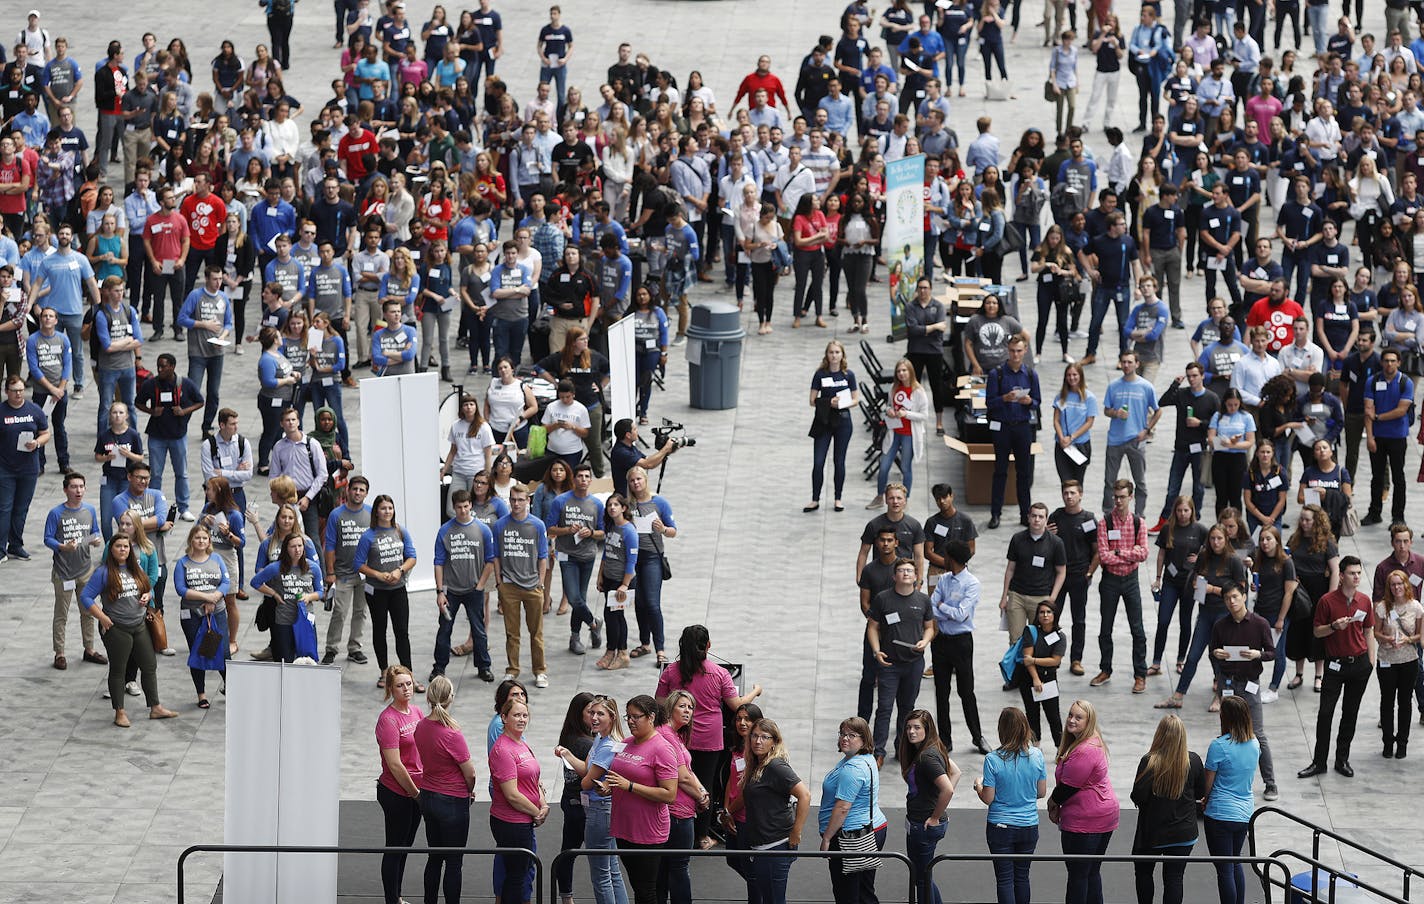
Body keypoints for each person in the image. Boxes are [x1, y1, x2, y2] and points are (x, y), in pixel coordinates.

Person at [655, 624, 762, 847]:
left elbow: (659, 704)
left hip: (680, 738)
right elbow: (735, 704)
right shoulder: (720, 674)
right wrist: (755, 691)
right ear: (709, 646)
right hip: (709, 739)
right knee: (706, 784)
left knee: (676, 780)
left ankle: (672, 826)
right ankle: (701, 835)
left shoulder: (671, 672)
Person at [80, 534, 178, 727]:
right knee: (119, 670)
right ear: (111, 549)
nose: (123, 549)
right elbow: (86, 597)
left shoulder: (136, 570)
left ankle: (155, 707)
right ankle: (120, 712)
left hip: (139, 625)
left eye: (126, 546)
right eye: (118, 546)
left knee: (149, 665)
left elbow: (146, 588)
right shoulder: (104, 572)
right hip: (117, 628)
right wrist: (102, 618)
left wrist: (146, 595)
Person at [1299, 556, 1374, 778]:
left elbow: (1368, 631)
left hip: (1359, 664)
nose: (1357, 577)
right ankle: (1319, 761)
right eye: (1352, 573)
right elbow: (1316, 632)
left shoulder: (1364, 600)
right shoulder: (1327, 601)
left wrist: (1370, 661)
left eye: (1359, 573)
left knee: (1350, 714)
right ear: (1341, 576)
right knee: (1325, 714)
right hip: (1334, 665)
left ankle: (1342, 759)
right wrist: (1333, 626)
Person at [606, 694, 678, 904]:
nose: (630, 721)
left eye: (636, 717)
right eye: (627, 716)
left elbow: (669, 794)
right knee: (637, 886)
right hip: (624, 827)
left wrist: (629, 786)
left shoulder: (662, 749)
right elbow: (616, 778)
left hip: (648, 831)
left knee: (646, 890)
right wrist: (607, 788)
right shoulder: (625, 743)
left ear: (651, 717)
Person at [974, 707, 1048, 904]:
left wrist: (978, 786)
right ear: (1025, 728)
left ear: (1002, 730)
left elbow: (988, 798)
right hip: (1029, 825)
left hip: (1000, 827)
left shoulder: (992, 759)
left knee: (1005, 879)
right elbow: (1041, 792)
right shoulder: (1037, 756)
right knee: (1022, 877)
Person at [1211, 583, 1278, 799]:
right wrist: (1218, 654)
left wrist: (1257, 654)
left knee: (1257, 734)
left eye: (1235, 597)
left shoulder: (1259, 624)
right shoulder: (1220, 625)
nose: (1232, 602)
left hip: (1250, 683)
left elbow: (1272, 652)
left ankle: (1270, 783)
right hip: (1228, 684)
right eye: (1228, 598)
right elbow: (1213, 650)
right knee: (1227, 734)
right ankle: (1227, 782)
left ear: (1244, 597)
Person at [734, 718, 811, 904]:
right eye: (754, 736)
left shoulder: (776, 766)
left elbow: (805, 796)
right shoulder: (756, 764)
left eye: (764, 737)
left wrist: (796, 832)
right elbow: (746, 796)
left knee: (774, 899)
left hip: (776, 845)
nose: (758, 741)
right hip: (761, 845)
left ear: (774, 742)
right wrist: (728, 812)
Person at [414, 676, 476, 904]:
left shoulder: (421, 726)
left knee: (435, 857)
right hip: (452, 801)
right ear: (450, 698)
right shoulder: (452, 733)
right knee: (454, 861)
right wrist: (469, 790)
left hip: (428, 796)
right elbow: (470, 773)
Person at [1130, 714, 1206, 904]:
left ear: (1159, 735)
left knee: (1143, 873)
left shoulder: (1149, 762)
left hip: (1152, 833)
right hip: (1184, 832)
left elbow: (1138, 796)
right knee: (1174, 878)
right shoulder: (1193, 761)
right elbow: (1199, 794)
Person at [867, 556, 935, 765]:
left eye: (909, 571)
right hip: (890, 664)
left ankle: (902, 748)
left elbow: (930, 627)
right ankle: (878, 751)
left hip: (914, 663)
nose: (906, 573)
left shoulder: (923, 600)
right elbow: (873, 627)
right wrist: (877, 651)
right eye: (901, 570)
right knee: (885, 707)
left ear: (916, 576)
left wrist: (925, 641)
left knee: (907, 708)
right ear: (894, 575)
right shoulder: (883, 599)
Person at [1049, 699, 1118, 904]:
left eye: (1078, 717)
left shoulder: (1084, 750)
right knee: (1090, 872)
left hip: (1086, 821)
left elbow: (1068, 788)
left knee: (1079, 875)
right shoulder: (1089, 741)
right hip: (1101, 816)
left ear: (1089, 721)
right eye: (1070, 715)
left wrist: (1052, 803)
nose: (1071, 720)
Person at [817, 716, 888, 904]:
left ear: (864, 739)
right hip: (872, 829)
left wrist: (826, 838)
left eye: (852, 735)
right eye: (842, 734)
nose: (845, 738)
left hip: (851, 839)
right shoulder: (866, 758)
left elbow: (842, 808)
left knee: (846, 894)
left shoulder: (853, 769)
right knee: (864, 892)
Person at [929, 539, 989, 753]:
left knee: (966, 690)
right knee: (941, 691)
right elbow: (930, 607)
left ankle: (977, 736)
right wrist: (946, 610)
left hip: (962, 641)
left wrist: (942, 606)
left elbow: (961, 615)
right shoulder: (944, 579)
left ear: (952, 559)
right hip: (941, 640)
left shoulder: (972, 583)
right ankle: (945, 739)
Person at [896, 710, 961, 904]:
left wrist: (934, 816)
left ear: (927, 729)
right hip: (922, 822)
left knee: (922, 879)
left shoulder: (927, 757)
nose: (911, 732)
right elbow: (956, 772)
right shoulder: (931, 749)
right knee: (924, 876)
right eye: (908, 727)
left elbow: (948, 789)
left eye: (917, 727)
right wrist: (935, 800)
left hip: (924, 825)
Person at [489, 695, 548, 904]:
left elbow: (534, 780)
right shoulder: (503, 750)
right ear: (504, 717)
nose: (522, 719)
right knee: (516, 876)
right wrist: (537, 812)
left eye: (525, 715)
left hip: (525, 820)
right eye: (516, 715)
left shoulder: (521, 743)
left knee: (522, 873)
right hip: (511, 823)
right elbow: (512, 795)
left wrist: (543, 804)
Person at [1091, 480, 1150, 693]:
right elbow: (1104, 557)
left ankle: (1140, 674)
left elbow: (1143, 553)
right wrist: (1128, 553)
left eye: (1122, 496)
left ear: (1131, 497)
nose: (1118, 501)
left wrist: (1119, 553)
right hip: (1110, 581)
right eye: (1116, 496)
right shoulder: (1104, 522)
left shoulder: (1138, 523)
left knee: (1138, 629)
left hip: (1131, 580)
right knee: (1105, 628)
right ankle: (1105, 669)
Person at [432, 489, 496, 682]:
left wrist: (481, 585)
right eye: (459, 507)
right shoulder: (445, 531)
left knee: (478, 630)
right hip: (451, 590)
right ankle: (439, 667)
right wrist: (440, 591)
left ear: (470, 506)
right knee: (444, 629)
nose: (462, 510)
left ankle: (484, 666)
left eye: (466, 506)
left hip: (473, 589)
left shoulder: (483, 530)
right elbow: (439, 562)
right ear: (453, 507)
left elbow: (490, 561)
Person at [355, 494, 419, 684]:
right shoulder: (368, 536)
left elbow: (412, 557)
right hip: (376, 591)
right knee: (379, 629)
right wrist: (378, 574)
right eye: (383, 508)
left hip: (398, 589)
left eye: (390, 508)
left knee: (402, 631)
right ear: (376, 511)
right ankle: (384, 671)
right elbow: (358, 564)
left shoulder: (400, 531)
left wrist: (399, 571)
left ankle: (408, 673)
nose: (387, 512)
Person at [1203, 695, 1261, 904]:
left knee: (1224, 869)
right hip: (1244, 813)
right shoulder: (1255, 744)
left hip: (1219, 813)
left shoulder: (1219, 746)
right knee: (1235, 862)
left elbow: (1207, 784)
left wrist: (1204, 800)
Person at [45, 472, 105, 671]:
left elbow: (95, 530)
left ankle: (89, 649)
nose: (78, 490)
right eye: (74, 487)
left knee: (87, 611)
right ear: (65, 490)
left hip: (85, 569)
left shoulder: (89, 510)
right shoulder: (56, 513)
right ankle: (59, 653)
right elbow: (48, 538)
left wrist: (95, 540)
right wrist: (62, 546)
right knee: (61, 613)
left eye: (81, 486)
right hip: (63, 571)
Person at [493, 482, 550, 685]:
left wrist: (541, 584)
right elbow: (496, 556)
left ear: (528, 501)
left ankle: (540, 670)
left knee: (536, 632)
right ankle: (512, 669)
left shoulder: (537, 525)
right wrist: (499, 582)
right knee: (512, 632)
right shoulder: (500, 525)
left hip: (533, 585)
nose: (516, 504)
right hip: (509, 586)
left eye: (520, 500)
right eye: (513, 499)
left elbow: (543, 556)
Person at [574, 694, 630, 904]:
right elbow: (586, 767)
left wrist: (586, 775)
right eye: (592, 713)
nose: (594, 718)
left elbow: (585, 782)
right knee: (612, 869)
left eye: (600, 714)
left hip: (600, 811)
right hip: (602, 809)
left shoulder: (608, 746)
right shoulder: (600, 738)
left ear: (612, 717)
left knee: (601, 875)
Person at [548, 462, 605, 654]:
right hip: (567, 555)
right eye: (580, 476)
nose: (583, 480)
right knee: (573, 597)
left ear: (590, 480)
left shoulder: (597, 504)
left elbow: (603, 533)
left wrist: (591, 533)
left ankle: (575, 637)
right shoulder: (561, 501)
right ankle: (594, 623)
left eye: (587, 477)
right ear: (573, 479)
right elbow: (549, 528)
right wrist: (566, 530)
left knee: (579, 598)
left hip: (587, 555)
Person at [172, 523, 230, 707]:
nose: (201, 541)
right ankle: (201, 695)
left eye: (205, 538)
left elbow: (226, 582)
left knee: (224, 651)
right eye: (197, 538)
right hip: (191, 613)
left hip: (217, 611)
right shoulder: (182, 563)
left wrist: (215, 598)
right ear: (191, 540)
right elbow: (181, 589)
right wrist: (207, 597)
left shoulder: (217, 559)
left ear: (209, 540)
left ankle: (231, 685)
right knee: (197, 651)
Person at [985, 336, 1039, 530]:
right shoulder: (996, 374)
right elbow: (989, 403)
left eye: (1019, 351)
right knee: (1000, 471)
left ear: (1025, 351)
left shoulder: (1031, 374)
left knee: (1024, 473)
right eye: (1012, 351)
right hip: (1002, 427)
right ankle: (995, 513)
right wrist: (1004, 399)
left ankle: (1025, 514)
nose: (1015, 355)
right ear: (1008, 351)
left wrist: (1029, 402)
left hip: (1023, 427)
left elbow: (1038, 401)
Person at [1100, 351, 1160, 518]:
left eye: (1129, 362)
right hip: (1115, 439)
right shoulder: (1113, 386)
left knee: (1140, 481)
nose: (1126, 365)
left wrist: (1147, 430)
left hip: (1136, 439)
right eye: (1124, 362)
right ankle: (1108, 514)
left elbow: (1158, 411)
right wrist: (1115, 413)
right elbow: (1106, 410)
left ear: (1137, 364)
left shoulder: (1146, 386)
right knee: (1109, 481)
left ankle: (1139, 515)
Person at [627, 466, 677, 665]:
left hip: (651, 558)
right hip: (632, 558)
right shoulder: (627, 504)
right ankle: (645, 643)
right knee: (639, 603)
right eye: (632, 480)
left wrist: (663, 529)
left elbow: (674, 531)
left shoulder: (659, 503)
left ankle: (660, 648)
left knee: (652, 604)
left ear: (646, 480)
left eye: (639, 479)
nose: (636, 483)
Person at [552, 692, 596, 904]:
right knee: (598, 855)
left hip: (571, 800)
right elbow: (591, 772)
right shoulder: (584, 743)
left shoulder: (569, 735)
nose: (595, 716)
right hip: (581, 804)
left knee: (568, 851)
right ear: (579, 714)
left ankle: (566, 896)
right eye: (590, 712)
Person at [250, 532, 323, 663]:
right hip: (283, 619)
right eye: (293, 546)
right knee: (285, 660)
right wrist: (274, 594)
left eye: (300, 546)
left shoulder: (313, 567)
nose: (297, 550)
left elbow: (321, 592)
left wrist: (309, 596)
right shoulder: (275, 567)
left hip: (306, 619)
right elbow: (255, 582)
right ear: (286, 548)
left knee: (308, 659)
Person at [322, 474, 371, 667]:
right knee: (340, 611)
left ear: (366, 493)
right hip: (342, 574)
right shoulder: (337, 514)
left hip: (366, 574)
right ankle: (331, 648)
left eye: (362, 490)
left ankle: (355, 648)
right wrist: (330, 572)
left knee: (361, 611)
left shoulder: (371, 513)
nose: (358, 493)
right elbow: (330, 545)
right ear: (348, 490)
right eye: (355, 489)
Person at [0, 374, 50, 560]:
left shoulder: (34, 410)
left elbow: (46, 433)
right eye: (14, 391)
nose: (18, 394)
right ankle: (1, 547)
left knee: (21, 508)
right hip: (5, 468)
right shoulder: (2, 411)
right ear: (7, 392)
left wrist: (37, 443)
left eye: (21, 390)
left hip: (28, 468)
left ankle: (16, 544)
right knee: (4, 508)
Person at [1363, 349, 1416, 526]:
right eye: (1386, 360)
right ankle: (1374, 512)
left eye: (1393, 361)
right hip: (1378, 436)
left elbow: (1401, 411)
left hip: (1397, 437)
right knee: (1377, 476)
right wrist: (1370, 437)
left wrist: (1378, 417)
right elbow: (1367, 410)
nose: (1389, 364)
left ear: (1399, 362)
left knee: (1398, 477)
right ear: (1382, 362)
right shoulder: (1373, 381)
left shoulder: (1405, 382)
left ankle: (1398, 516)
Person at [1374, 569, 1424, 759]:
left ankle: (1402, 743)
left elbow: (1420, 636)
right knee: (1387, 702)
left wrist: (1408, 640)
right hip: (1387, 659)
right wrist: (1387, 639)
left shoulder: (1416, 608)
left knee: (1405, 702)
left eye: (1399, 583)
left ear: (1406, 585)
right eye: (1393, 584)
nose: (1396, 587)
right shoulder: (1382, 607)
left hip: (1408, 660)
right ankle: (1388, 742)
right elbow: (1375, 632)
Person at [807, 339, 860, 512]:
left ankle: (838, 497)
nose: (834, 355)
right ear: (827, 355)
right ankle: (815, 498)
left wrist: (842, 404)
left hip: (843, 421)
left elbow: (855, 399)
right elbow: (812, 400)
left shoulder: (848, 375)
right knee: (818, 461)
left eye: (837, 352)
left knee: (839, 461)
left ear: (842, 355)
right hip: (824, 421)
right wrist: (829, 402)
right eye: (831, 352)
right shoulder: (820, 374)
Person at [871, 358, 930, 506]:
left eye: (904, 370)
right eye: (899, 371)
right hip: (894, 432)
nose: (901, 374)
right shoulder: (894, 388)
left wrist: (907, 415)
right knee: (884, 465)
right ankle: (879, 496)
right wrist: (889, 410)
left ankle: (905, 500)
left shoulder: (918, 391)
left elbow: (925, 415)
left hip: (909, 434)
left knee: (905, 467)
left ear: (910, 371)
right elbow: (889, 405)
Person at [595, 493, 638, 671]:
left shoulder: (629, 531)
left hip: (622, 581)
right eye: (609, 505)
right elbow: (606, 553)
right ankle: (613, 651)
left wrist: (625, 584)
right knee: (610, 616)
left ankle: (620, 652)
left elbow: (631, 561)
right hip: (609, 578)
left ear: (624, 508)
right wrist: (600, 575)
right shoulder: (612, 527)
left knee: (615, 617)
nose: (612, 508)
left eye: (616, 505)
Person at [1018, 601, 1066, 746]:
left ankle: (1061, 748)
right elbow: (1027, 661)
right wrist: (1035, 678)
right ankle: (1035, 748)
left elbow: (1055, 661)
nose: (1045, 615)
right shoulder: (1030, 631)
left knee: (1054, 716)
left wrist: (1034, 659)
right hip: (1029, 678)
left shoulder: (1060, 636)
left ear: (1054, 615)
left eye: (1049, 612)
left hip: (1049, 678)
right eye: (1042, 612)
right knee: (1032, 715)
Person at [1208, 389, 1258, 515]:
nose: (1233, 408)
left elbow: (1250, 441)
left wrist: (1233, 444)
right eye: (1230, 405)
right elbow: (1210, 439)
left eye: (1236, 404)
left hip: (1238, 458)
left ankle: (1237, 524)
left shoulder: (1246, 417)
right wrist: (1225, 443)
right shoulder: (1218, 416)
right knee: (1221, 496)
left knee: (1235, 495)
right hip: (1220, 456)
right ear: (1225, 403)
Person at [1052, 363, 1097, 485]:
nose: (1072, 378)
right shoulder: (1061, 396)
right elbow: (1056, 420)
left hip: (1080, 445)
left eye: (1075, 375)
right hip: (1062, 445)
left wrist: (1072, 437)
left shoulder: (1089, 397)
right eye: (1069, 375)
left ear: (1080, 376)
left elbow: (1089, 422)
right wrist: (1062, 438)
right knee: (1065, 482)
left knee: (1077, 483)